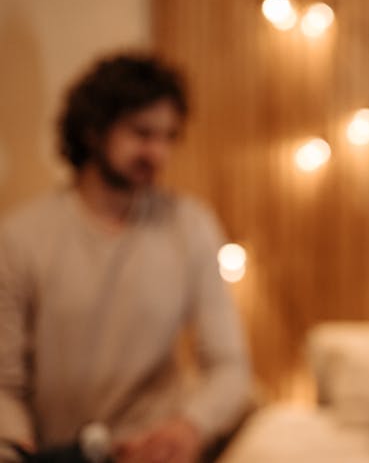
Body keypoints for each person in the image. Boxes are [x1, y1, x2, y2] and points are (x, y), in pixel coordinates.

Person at [0, 54, 251, 462]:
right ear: (93, 130)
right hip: (57, 453)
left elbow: (230, 369)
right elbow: (3, 384)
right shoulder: (20, 238)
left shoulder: (190, 225)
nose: (158, 152)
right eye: (142, 133)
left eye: (169, 137)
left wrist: (190, 427)